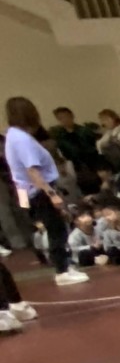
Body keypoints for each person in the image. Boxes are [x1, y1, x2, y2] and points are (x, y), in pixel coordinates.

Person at [5, 96, 85, 285]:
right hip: (38, 190)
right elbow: (33, 170)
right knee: (55, 228)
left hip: (25, 190)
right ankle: (62, 271)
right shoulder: (22, 139)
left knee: (48, 227)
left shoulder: (12, 135)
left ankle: (62, 265)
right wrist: (52, 194)